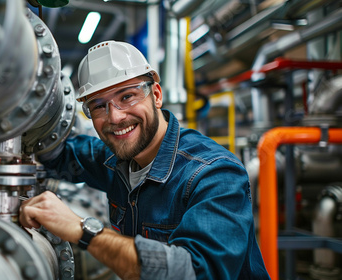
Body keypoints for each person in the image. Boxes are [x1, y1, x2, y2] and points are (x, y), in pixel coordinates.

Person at [19, 40, 270, 280]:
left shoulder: (214, 174)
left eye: (127, 96)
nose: (115, 117)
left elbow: (197, 273)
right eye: (98, 106)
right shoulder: (117, 160)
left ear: (156, 95)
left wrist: (82, 230)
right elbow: (62, 154)